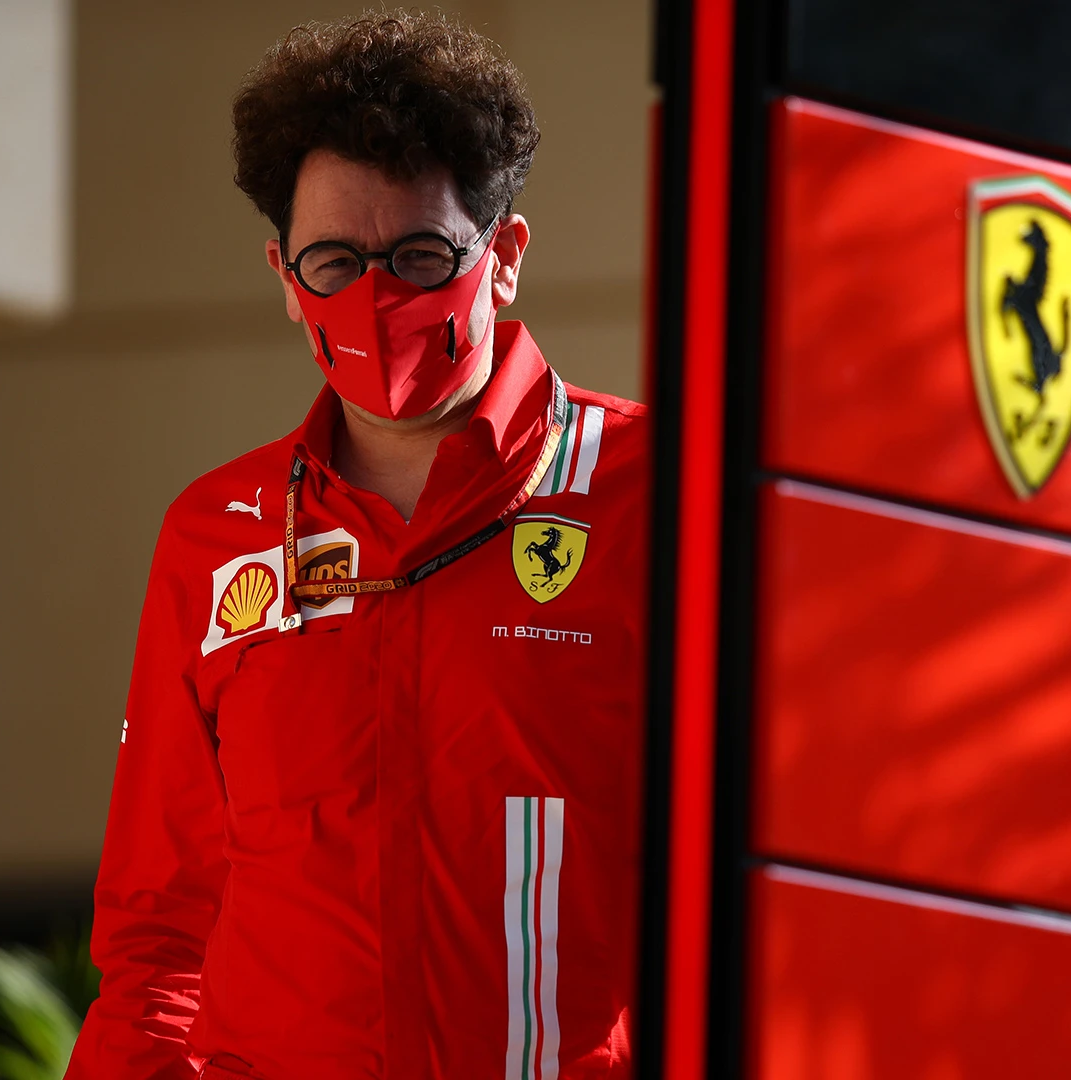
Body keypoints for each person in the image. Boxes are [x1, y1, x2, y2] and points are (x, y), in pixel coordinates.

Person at [67, 13, 647, 1079]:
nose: (377, 298)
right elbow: (159, 935)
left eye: (421, 256)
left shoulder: (654, 491)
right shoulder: (216, 533)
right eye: (334, 261)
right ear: (286, 279)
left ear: (504, 258)